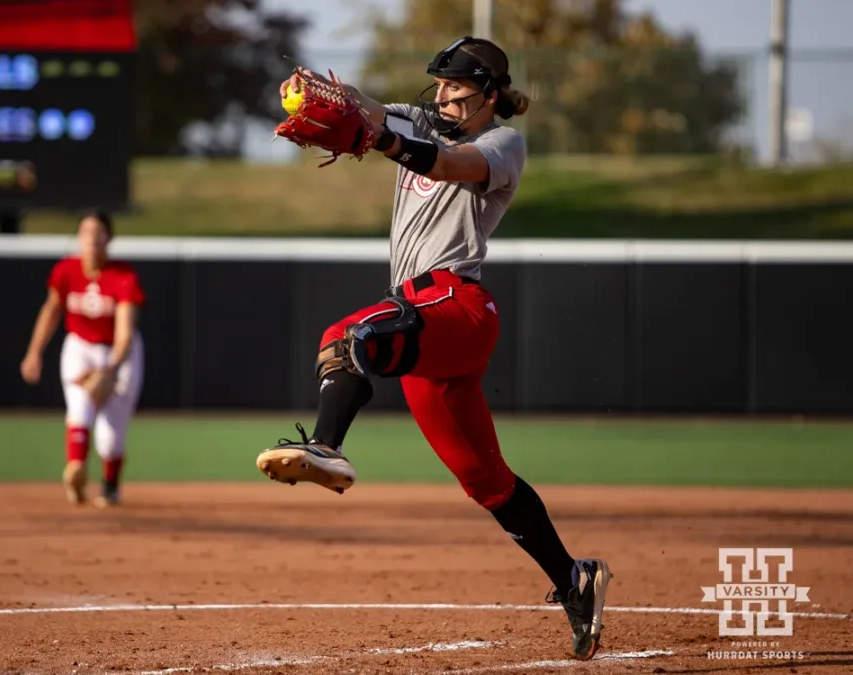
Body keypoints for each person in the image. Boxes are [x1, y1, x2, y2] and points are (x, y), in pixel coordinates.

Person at [256, 37, 613, 660]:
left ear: (489, 94)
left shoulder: (504, 144)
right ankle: (574, 579)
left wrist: (382, 140)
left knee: (345, 337)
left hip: (458, 304)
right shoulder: (421, 120)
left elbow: (446, 166)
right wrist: (326, 91)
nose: (442, 93)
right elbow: (366, 109)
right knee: (485, 481)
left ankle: (326, 446)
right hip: (421, 313)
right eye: (440, 84)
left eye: (455, 85)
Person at [20, 210, 146, 508]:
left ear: (109, 238)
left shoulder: (123, 276)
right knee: (80, 408)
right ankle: (76, 466)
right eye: (85, 232)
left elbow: (125, 334)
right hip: (80, 347)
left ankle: (110, 485)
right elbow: (52, 310)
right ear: (78, 238)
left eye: (98, 232)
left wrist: (110, 371)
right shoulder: (66, 271)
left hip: (118, 353)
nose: (91, 238)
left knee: (110, 438)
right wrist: (34, 351)